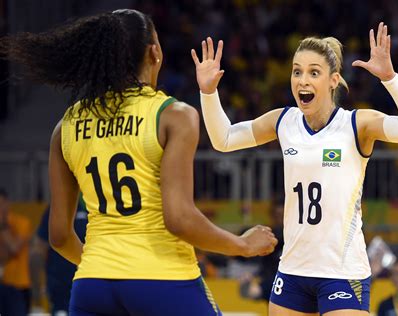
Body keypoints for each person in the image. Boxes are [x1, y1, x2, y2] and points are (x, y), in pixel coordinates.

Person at [1, 9, 277, 316]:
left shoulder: (65, 126)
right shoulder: (173, 115)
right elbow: (180, 219)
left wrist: (106, 267)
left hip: (92, 284)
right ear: (154, 52)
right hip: (161, 279)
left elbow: (59, 236)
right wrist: (242, 245)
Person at [192, 22, 398, 315]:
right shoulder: (284, 121)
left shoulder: (357, 125)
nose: (302, 80)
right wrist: (208, 93)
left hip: (342, 271)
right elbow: (224, 139)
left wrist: (390, 78)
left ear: (333, 81)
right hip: (293, 269)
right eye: (297, 71)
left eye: (313, 72)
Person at [30, 201, 88, 315]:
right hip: (60, 287)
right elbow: (38, 252)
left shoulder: (94, 206)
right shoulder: (56, 209)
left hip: (87, 284)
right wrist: (36, 289)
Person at [0, 188, 32, 316]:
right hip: (3, 283)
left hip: (19, 285)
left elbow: (14, 248)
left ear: (8, 203)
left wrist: (3, 226)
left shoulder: (21, 223)